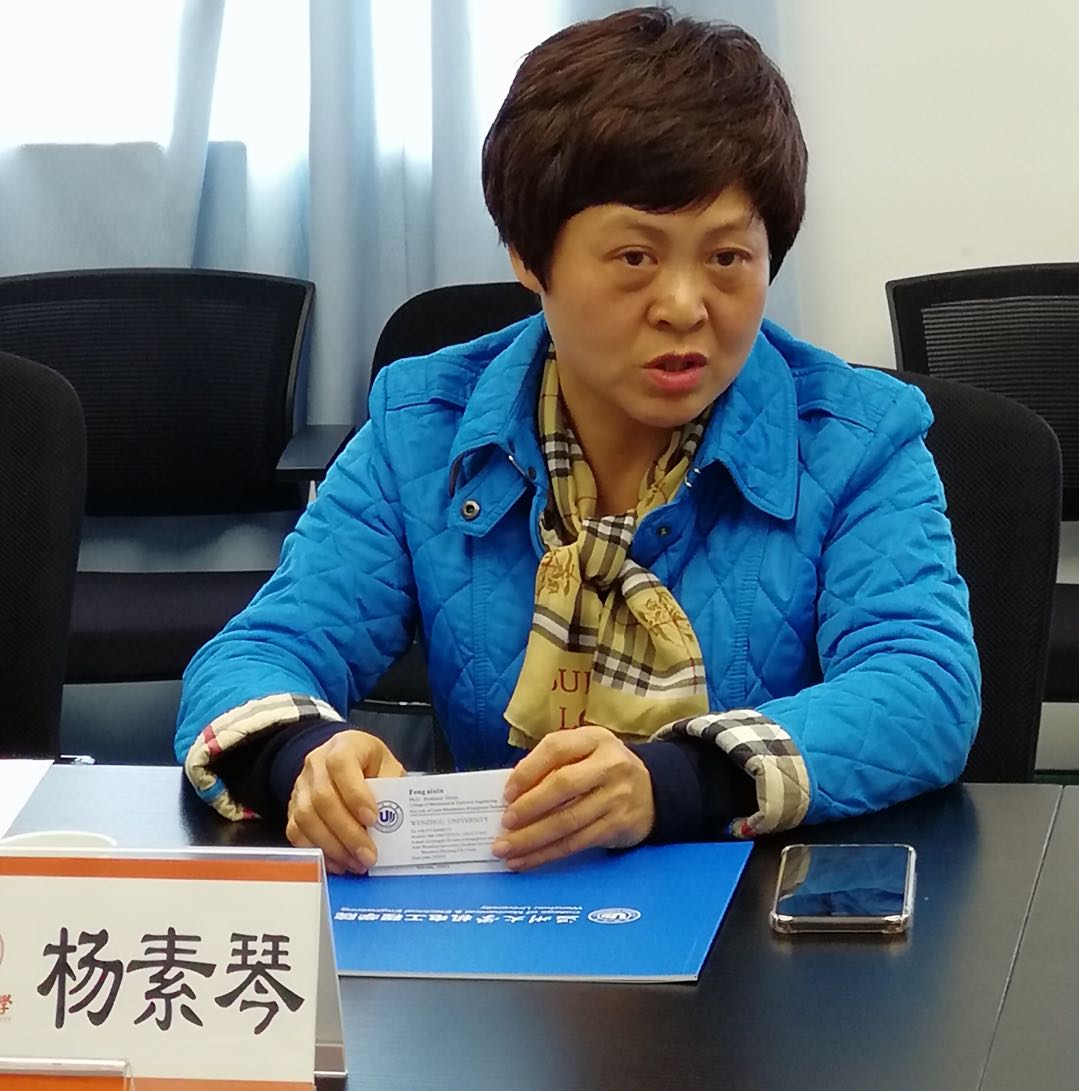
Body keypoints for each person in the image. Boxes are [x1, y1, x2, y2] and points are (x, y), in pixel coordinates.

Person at [175, 7, 980, 875]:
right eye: (635, 257)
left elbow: (920, 686)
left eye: (726, 258)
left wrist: (675, 778)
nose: (684, 305)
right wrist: (304, 758)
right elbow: (262, 650)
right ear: (530, 256)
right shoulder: (425, 428)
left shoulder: (856, 439)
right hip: (503, 906)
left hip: (756, 905)